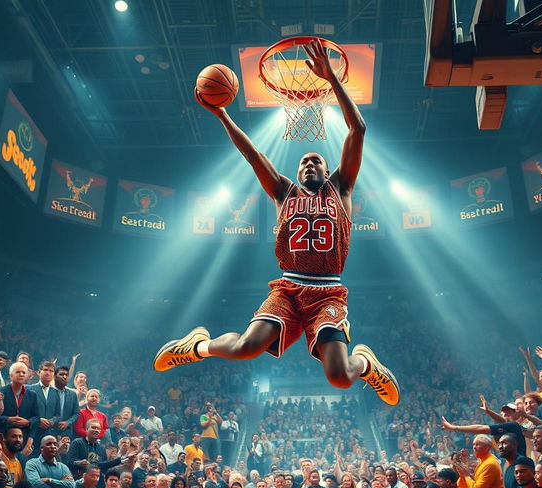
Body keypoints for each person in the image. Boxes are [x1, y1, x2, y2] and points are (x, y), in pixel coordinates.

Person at [153, 39, 400, 408]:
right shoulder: (284, 193)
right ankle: (197, 345)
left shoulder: (341, 187)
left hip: (328, 292)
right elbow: (253, 154)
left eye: (316, 160)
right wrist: (221, 114)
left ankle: (366, 363)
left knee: (339, 377)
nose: (309, 165)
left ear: (326, 168)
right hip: (288, 287)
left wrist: (331, 77)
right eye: (303, 162)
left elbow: (357, 131)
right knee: (245, 347)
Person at [0, 362, 39, 442]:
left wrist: (28, 422)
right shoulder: (0, 392)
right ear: (11, 375)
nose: (21, 374)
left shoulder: (32, 395)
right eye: (18, 372)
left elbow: (36, 418)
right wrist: (7, 419)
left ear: (26, 376)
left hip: (24, 438)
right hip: (3, 438)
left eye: (23, 372)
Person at [28, 361, 62, 451]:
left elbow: (58, 415)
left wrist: (52, 421)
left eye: (51, 371)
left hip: (50, 434)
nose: (48, 372)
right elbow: (25, 411)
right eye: (45, 370)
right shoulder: (29, 389)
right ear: (39, 372)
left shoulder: (56, 392)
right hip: (32, 434)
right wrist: (38, 420)